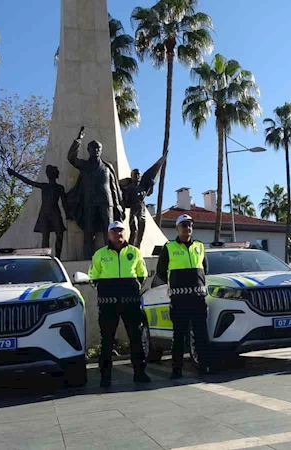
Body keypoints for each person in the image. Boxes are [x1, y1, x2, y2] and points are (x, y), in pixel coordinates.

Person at [88, 221, 151, 387]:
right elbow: (93, 277)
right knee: (107, 340)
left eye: (121, 231)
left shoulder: (135, 252)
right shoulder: (100, 254)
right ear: (109, 235)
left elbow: (142, 275)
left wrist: (132, 290)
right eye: (114, 231)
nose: (118, 234)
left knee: (135, 338)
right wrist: (106, 292)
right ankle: (105, 377)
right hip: (108, 305)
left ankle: (140, 373)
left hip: (130, 304)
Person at [156, 214, 212, 378]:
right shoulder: (169, 247)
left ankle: (204, 367)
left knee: (201, 335)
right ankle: (176, 370)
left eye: (190, 225)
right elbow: (161, 271)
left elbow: (204, 269)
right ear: (177, 228)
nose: (187, 228)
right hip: (179, 300)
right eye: (184, 225)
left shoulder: (200, 246)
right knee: (179, 335)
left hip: (198, 299)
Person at [66, 126, 124, 259]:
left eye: (98, 148)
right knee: (89, 232)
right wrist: (78, 140)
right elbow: (71, 158)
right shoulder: (85, 165)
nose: (96, 150)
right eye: (93, 148)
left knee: (108, 230)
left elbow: (114, 187)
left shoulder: (107, 166)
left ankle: (112, 256)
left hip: (106, 202)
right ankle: (88, 257)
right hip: (89, 202)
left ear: (101, 150)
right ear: (89, 150)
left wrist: (117, 204)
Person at [7, 165, 68, 257]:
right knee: (45, 236)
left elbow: (64, 203)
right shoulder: (44, 186)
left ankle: (58, 257)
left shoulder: (59, 188)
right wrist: (14, 174)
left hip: (55, 213)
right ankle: (45, 257)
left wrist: (67, 214)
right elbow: (28, 182)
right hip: (45, 213)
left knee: (59, 234)